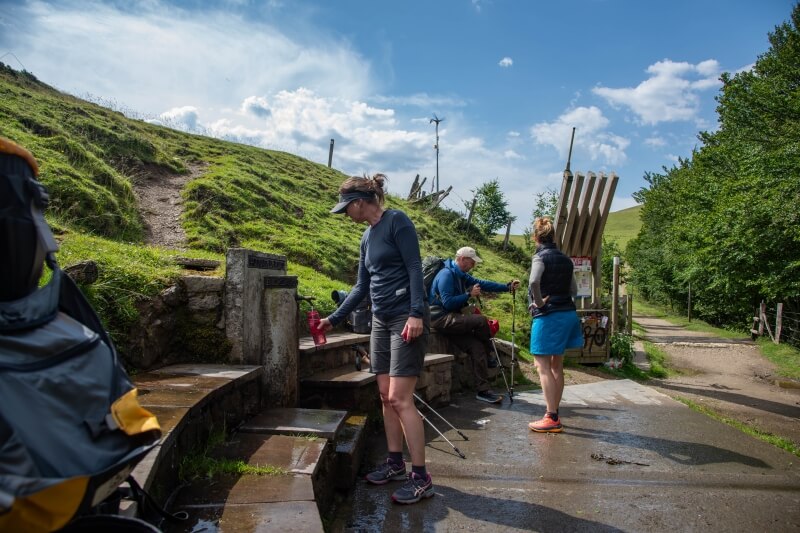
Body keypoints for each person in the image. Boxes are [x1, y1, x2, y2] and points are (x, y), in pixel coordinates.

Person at [318, 174, 433, 505]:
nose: (345, 215)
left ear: (359, 202)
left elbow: (414, 268)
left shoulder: (397, 221)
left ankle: (422, 477)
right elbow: (361, 286)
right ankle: (395, 463)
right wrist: (334, 319)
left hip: (404, 317)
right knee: (384, 396)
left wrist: (415, 313)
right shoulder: (367, 238)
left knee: (400, 398)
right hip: (380, 320)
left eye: (346, 208)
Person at [428, 246, 520, 404]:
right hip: (440, 319)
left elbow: (482, 284)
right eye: (472, 262)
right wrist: (468, 294)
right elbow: (448, 303)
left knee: (476, 347)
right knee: (481, 320)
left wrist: (506, 287)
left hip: (453, 319)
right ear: (462, 259)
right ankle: (490, 353)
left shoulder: (461, 274)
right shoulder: (446, 275)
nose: (473, 266)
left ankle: (483, 391)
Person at [527, 217, 584, 433]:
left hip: (548, 316)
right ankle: (555, 411)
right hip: (568, 314)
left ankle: (551, 417)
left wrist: (540, 302)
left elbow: (534, 282)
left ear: (536, 237)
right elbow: (575, 291)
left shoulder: (539, 257)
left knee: (542, 366)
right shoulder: (566, 259)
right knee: (556, 366)